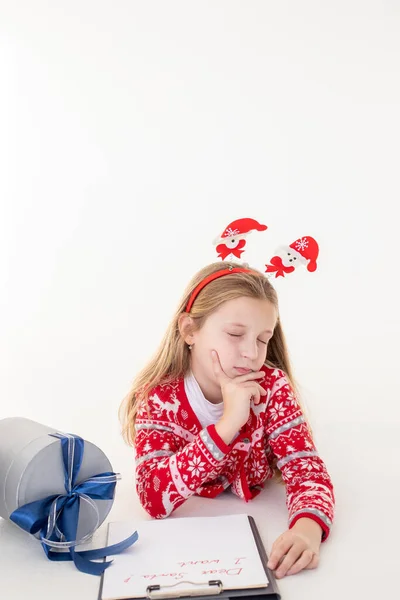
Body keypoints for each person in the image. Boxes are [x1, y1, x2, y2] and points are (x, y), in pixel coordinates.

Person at [120, 261, 335, 579]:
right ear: (190, 330)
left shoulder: (272, 387)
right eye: (235, 334)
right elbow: (153, 499)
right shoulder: (158, 397)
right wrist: (228, 424)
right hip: (188, 546)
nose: (251, 352)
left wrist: (307, 529)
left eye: (263, 339)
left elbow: (309, 474)